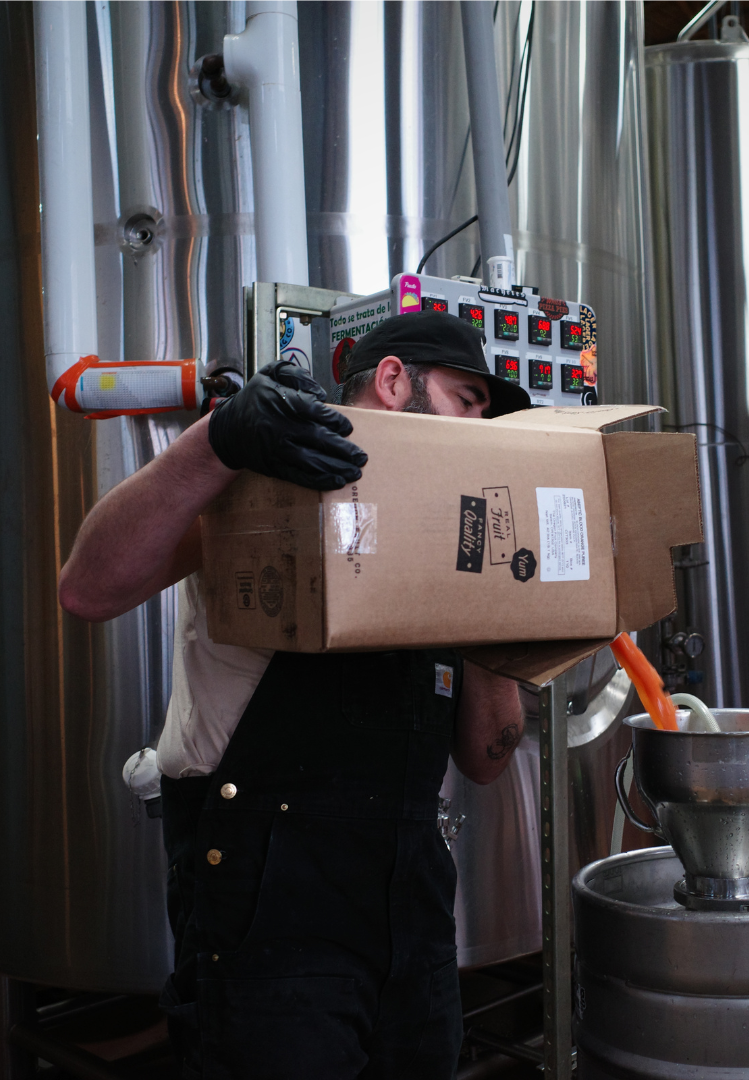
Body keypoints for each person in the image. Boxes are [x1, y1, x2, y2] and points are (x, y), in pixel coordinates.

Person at [59, 311, 533, 1079]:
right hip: (267, 914)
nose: (478, 426)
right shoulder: (258, 480)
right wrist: (216, 443)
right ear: (393, 381)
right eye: (467, 400)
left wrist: (491, 599)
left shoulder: (456, 525)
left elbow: (485, 756)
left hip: (411, 916)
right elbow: (87, 589)